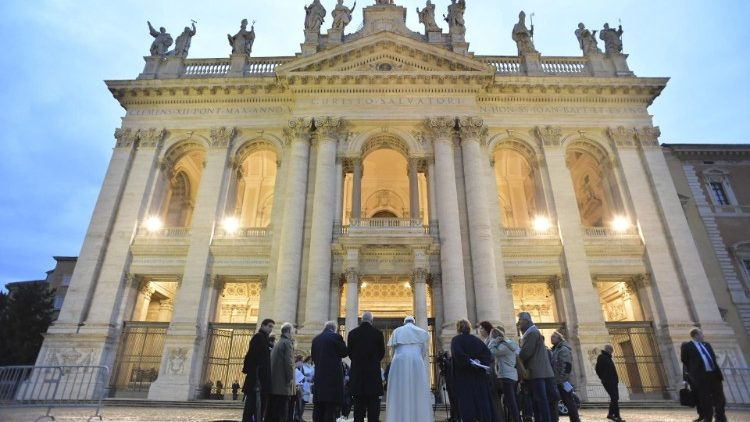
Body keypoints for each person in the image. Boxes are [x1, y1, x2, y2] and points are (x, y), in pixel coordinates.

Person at [385, 316, 432, 422]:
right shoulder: (421, 332)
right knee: (417, 391)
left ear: (404, 323)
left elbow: (392, 352)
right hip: (416, 362)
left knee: (399, 391)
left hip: (398, 362)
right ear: (414, 323)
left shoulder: (397, 331)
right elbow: (423, 352)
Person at [451, 319, 497, 422]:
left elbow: (458, 355)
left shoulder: (456, 340)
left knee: (467, 405)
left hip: (463, 378)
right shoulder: (477, 340)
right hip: (478, 377)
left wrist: (469, 361)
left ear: (458, 328)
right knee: (481, 404)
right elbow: (488, 355)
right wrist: (479, 362)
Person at [681, 328, 726, 422]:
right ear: (695, 335)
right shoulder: (687, 346)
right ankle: (708, 417)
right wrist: (693, 373)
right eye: (701, 334)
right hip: (700, 377)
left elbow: (713, 357)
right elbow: (685, 360)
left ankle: (720, 417)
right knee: (704, 398)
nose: (703, 335)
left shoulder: (707, 345)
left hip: (714, 374)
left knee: (720, 397)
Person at [347, 311, 385, 422]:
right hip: (373, 375)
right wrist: (373, 362)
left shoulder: (352, 333)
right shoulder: (378, 333)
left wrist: (357, 361)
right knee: (373, 407)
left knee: (358, 407)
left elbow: (349, 352)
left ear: (361, 320)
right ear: (372, 321)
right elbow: (382, 353)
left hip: (358, 376)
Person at [517, 312, 554, 422]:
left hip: (536, 371)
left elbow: (526, 352)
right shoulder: (533, 331)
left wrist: (518, 353)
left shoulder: (531, 333)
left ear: (526, 320)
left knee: (540, 399)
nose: (519, 323)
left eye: (520, 321)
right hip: (539, 371)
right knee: (539, 399)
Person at [311, 321, 348, 422]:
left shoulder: (316, 339)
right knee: (330, 408)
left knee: (318, 407)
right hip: (332, 380)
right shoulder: (336, 337)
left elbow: (313, 357)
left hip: (319, 378)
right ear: (334, 329)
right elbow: (344, 352)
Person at [242, 318, 274, 422]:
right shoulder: (258, 337)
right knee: (252, 405)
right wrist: (254, 376)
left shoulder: (265, 339)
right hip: (257, 379)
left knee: (259, 406)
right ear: (262, 326)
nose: (271, 329)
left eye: (272, 327)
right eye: (269, 326)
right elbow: (251, 358)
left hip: (262, 379)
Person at [488, 327, 521, 422]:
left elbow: (491, 352)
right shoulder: (509, 344)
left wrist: (493, 342)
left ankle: (516, 419)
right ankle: (513, 419)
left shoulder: (503, 346)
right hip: (511, 376)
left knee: (511, 401)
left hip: (506, 376)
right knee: (510, 401)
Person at [267, 322, 295, 422]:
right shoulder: (287, 343)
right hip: (283, 385)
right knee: (282, 413)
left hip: (275, 384)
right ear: (288, 331)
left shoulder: (278, 342)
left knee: (273, 412)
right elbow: (289, 363)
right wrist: (290, 379)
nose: (293, 334)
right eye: (292, 332)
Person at [550, 332, 580, 422]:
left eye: (553, 337)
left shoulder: (563, 349)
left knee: (569, 402)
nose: (551, 338)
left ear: (559, 338)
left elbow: (567, 366)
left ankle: (575, 420)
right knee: (562, 401)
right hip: (558, 381)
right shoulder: (555, 349)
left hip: (564, 382)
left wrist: (562, 380)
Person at [477, 321, 503, 420]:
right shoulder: (486, 340)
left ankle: (498, 418)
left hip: (492, 372)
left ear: (486, 329)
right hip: (488, 370)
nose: (480, 330)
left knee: (494, 399)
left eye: (481, 328)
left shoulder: (490, 340)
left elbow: (491, 355)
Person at [595, 345, 624, 422]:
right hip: (608, 381)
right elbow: (597, 369)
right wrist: (603, 378)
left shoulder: (608, 357)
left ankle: (610, 414)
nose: (612, 352)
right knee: (614, 398)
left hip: (613, 381)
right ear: (608, 350)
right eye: (611, 350)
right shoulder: (601, 357)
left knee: (615, 398)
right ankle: (617, 416)